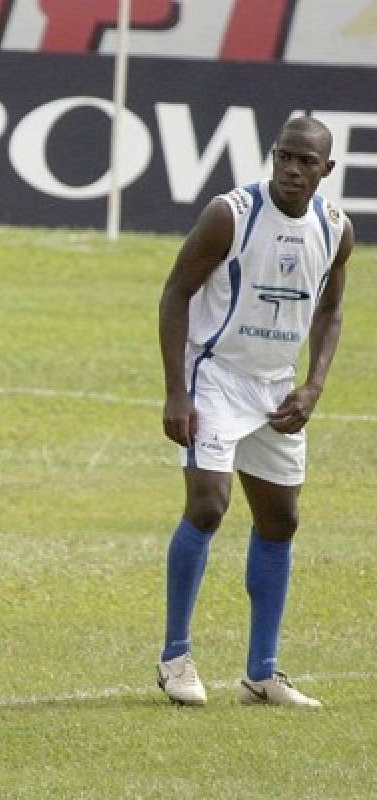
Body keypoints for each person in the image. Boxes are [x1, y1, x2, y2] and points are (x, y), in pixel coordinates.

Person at [155, 116, 353, 709]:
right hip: (214, 377)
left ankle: (262, 674)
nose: (292, 169)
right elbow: (175, 293)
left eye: (305, 161)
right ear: (272, 156)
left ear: (326, 170)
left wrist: (313, 386)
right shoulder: (230, 214)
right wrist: (176, 391)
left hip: (277, 388)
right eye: (284, 157)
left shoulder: (337, 228)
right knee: (209, 504)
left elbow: (330, 310)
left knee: (281, 521)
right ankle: (175, 658)